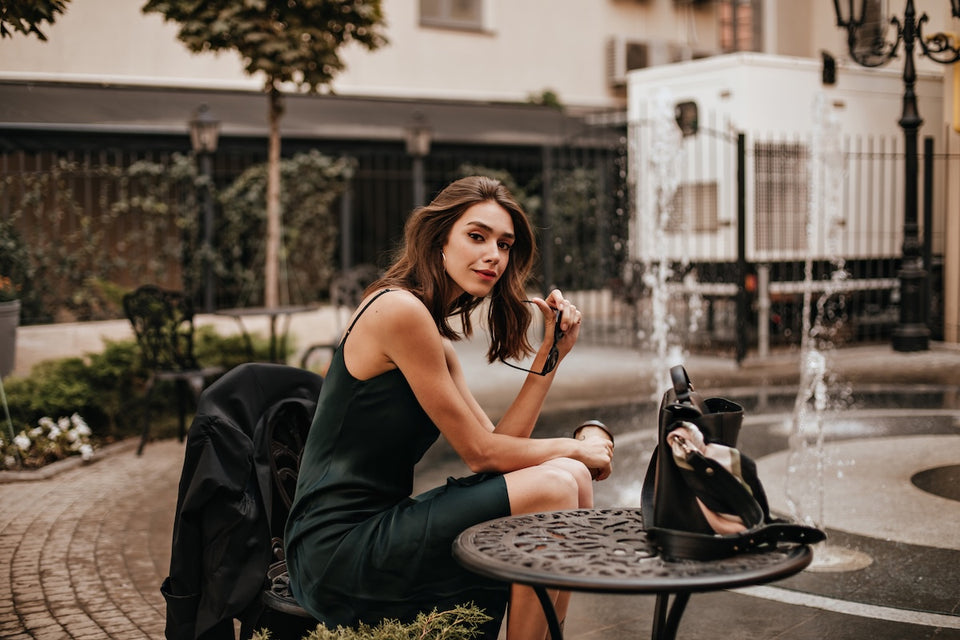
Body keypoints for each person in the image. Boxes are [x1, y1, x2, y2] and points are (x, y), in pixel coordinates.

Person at [284, 175, 615, 639]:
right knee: (559, 481)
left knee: (570, 480)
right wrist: (576, 447)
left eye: (504, 244)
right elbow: (482, 455)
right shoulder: (399, 311)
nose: (493, 255)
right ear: (439, 240)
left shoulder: (432, 335)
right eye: (476, 236)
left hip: (379, 529)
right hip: (336, 552)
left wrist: (551, 353)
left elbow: (502, 449)